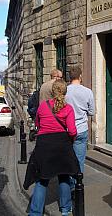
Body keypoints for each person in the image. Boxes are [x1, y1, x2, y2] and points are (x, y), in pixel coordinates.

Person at [24, 79, 80, 216]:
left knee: (42, 179)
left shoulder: (43, 106)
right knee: (64, 176)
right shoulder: (68, 108)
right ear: (65, 92)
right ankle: (66, 209)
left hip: (44, 145)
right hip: (62, 145)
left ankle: (35, 212)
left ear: (52, 91)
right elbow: (72, 131)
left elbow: (37, 124)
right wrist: (70, 141)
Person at [65, 66, 95, 174]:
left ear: (69, 77)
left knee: (67, 159)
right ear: (80, 76)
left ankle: (70, 185)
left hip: (67, 129)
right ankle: (78, 186)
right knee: (79, 160)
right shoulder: (88, 92)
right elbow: (92, 112)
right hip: (81, 128)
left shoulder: (65, 91)